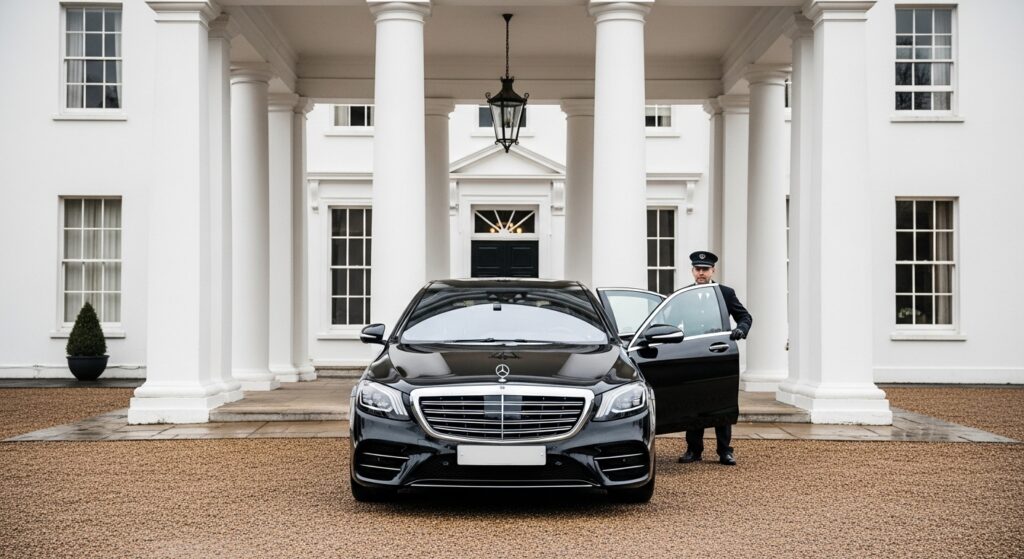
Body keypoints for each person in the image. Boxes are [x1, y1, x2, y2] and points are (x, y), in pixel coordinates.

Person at [677, 250, 752, 466]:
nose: (701, 273)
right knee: (693, 403)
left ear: (713, 271)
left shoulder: (725, 293)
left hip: (719, 354)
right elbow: (670, 321)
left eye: (705, 269)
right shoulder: (684, 295)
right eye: (697, 269)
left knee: (722, 402)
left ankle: (725, 451)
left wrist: (741, 330)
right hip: (692, 355)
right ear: (692, 271)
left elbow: (745, 316)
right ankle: (694, 450)